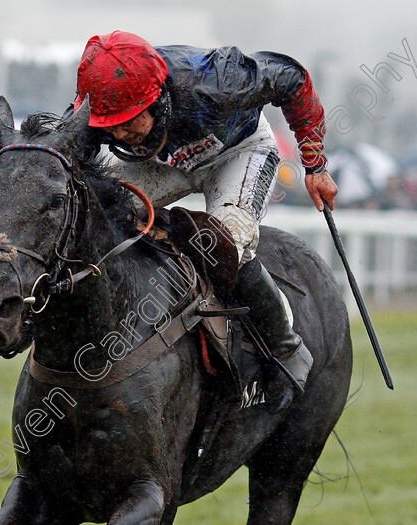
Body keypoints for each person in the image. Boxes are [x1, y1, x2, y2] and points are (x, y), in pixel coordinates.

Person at [69, 31, 338, 413]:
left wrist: (315, 163)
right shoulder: (96, 104)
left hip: (238, 151)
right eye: (109, 124)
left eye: (128, 121)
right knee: (98, 213)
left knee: (223, 242)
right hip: (164, 162)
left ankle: (285, 347)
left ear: (157, 97)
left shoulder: (218, 80)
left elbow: (291, 77)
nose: (116, 133)